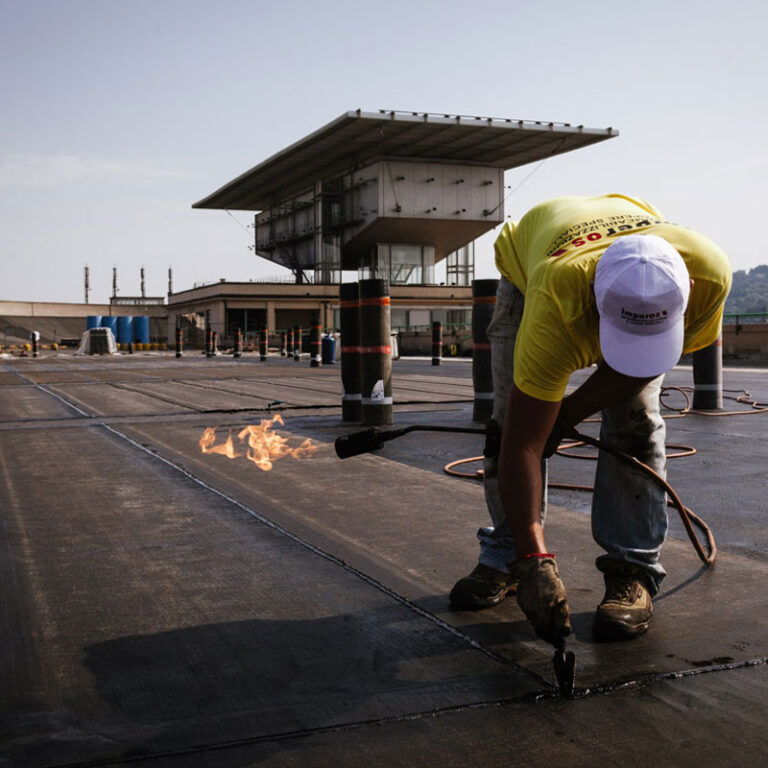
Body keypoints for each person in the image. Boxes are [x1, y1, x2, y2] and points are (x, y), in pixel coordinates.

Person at [449, 194, 731, 644]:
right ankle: (511, 556)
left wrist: (568, 414)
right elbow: (522, 442)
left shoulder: (709, 275)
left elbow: (639, 368)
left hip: (611, 243)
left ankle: (632, 570)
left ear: (687, 295)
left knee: (636, 422)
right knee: (508, 423)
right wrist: (534, 557)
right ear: (596, 306)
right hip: (533, 270)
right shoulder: (557, 299)